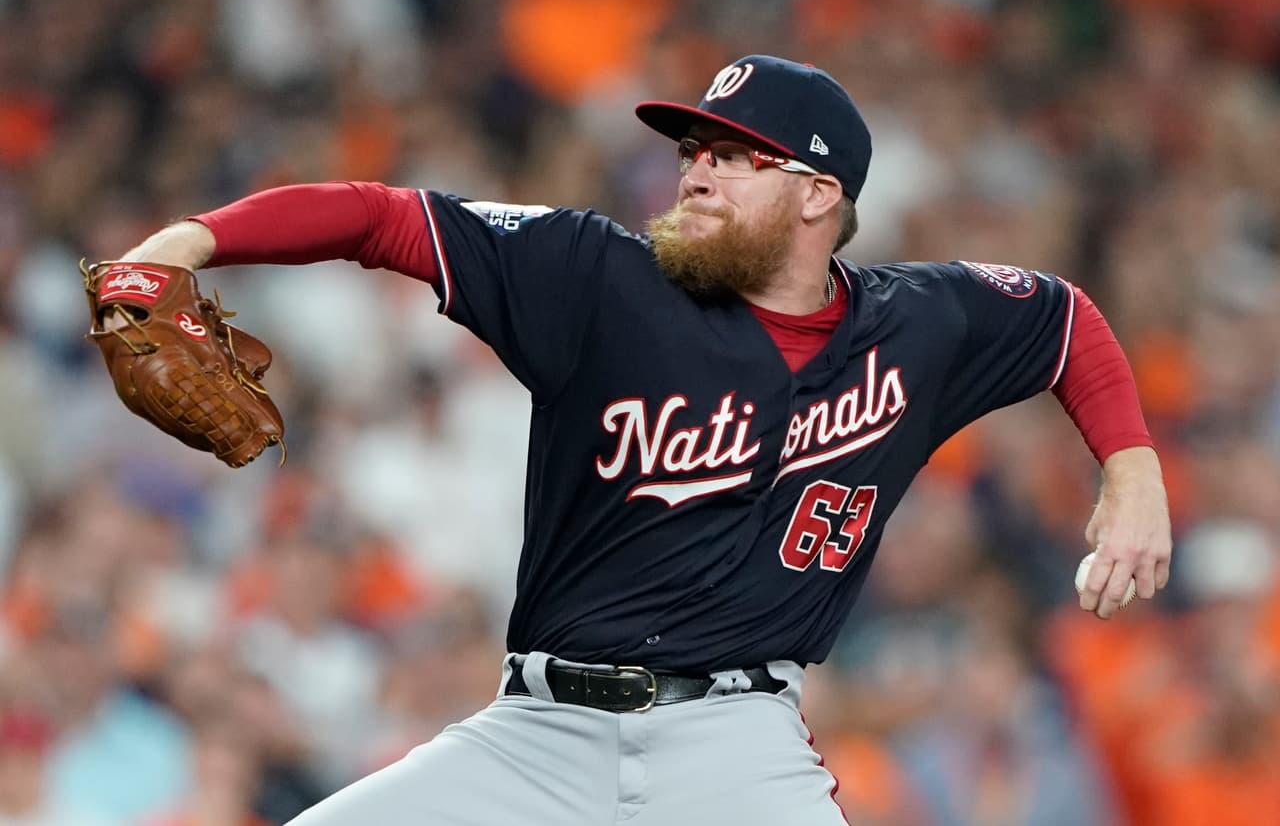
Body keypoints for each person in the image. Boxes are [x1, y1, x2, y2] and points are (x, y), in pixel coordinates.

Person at [103, 55, 1172, 825]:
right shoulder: (595, 277)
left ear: (816, 194)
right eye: (692, 149)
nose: (694, 169)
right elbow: (382, 217)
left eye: (733, 156)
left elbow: (1062, 317)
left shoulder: (916, 324)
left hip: (736, 744)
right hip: (536, 734)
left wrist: (1130, 471)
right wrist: (184, 240)